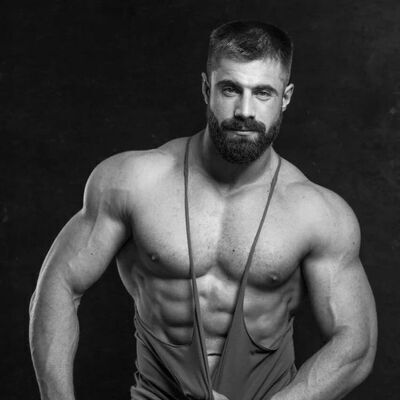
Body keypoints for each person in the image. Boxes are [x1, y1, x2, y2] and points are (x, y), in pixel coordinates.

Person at [29, 20, 377, 400]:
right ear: (206, 88)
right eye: (230, 89)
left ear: (286, 97)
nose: (244, 110)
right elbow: (59, 285)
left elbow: (356, 345)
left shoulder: (318, 213)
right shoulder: (132, 182)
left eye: (263, 92)